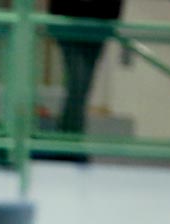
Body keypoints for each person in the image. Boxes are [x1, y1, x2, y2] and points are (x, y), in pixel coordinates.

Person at [48, 0, 123, 141]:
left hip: (97, 28)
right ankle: (68, 138)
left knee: (82, 86)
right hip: (70, 26)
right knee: (78, 84)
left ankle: (68, 137)